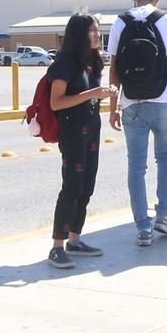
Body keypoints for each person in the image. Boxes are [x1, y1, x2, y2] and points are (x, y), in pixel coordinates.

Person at [107, 0, 167, 247]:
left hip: (131, 102)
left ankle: (143, 228)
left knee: (136, 166)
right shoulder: (166, 19)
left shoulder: (121, 21)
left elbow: (114, 70)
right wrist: (163, 81)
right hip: (163, 101)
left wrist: (113, 107)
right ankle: (163, 216)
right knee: (165, 157)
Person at [46, 14, 117, 269]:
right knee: (72, 186)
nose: (97, 35)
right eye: (92, 31)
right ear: (79, 34)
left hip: (92, 129)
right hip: (72, 130)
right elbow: (57, 102)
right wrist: (93, 93)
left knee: (87, 185)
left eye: (98, 31)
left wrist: (107, 99)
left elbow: (91, 96)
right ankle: (57, 245)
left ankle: (75, 239)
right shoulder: (65, 62)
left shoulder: (93, 61)